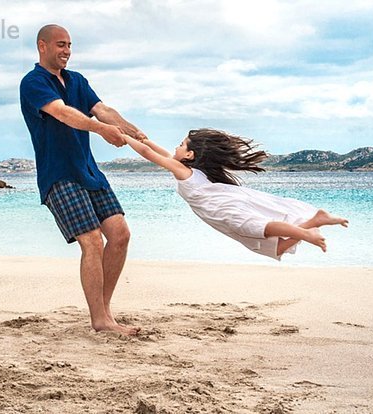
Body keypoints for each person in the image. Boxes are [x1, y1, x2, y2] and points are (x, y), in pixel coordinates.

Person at [20, 24, 145, 335]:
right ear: (42, 46)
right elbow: (62, 113)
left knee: (120, 235)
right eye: (61, 45)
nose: (67, 51)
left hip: (88, 170)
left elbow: (102, 109)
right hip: (59, 175)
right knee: (92, 242)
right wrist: (101, 130)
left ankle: (104, 312)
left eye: (70, 45)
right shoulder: (32, 82)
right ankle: (99, 320)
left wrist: (130, 129)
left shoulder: (77, 80)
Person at [124, 129, 349, 260]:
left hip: (221, 209)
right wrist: (142, 138)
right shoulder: (189, 168)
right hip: (220, 205)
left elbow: (149, 155)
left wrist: (125, 139)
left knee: (258, 227)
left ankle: (306, 233)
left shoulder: (184, 170)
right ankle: (314, 222)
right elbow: (156, 150)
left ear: (190, 154)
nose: (175, 148)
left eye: (180, 145)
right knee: (273, 247)